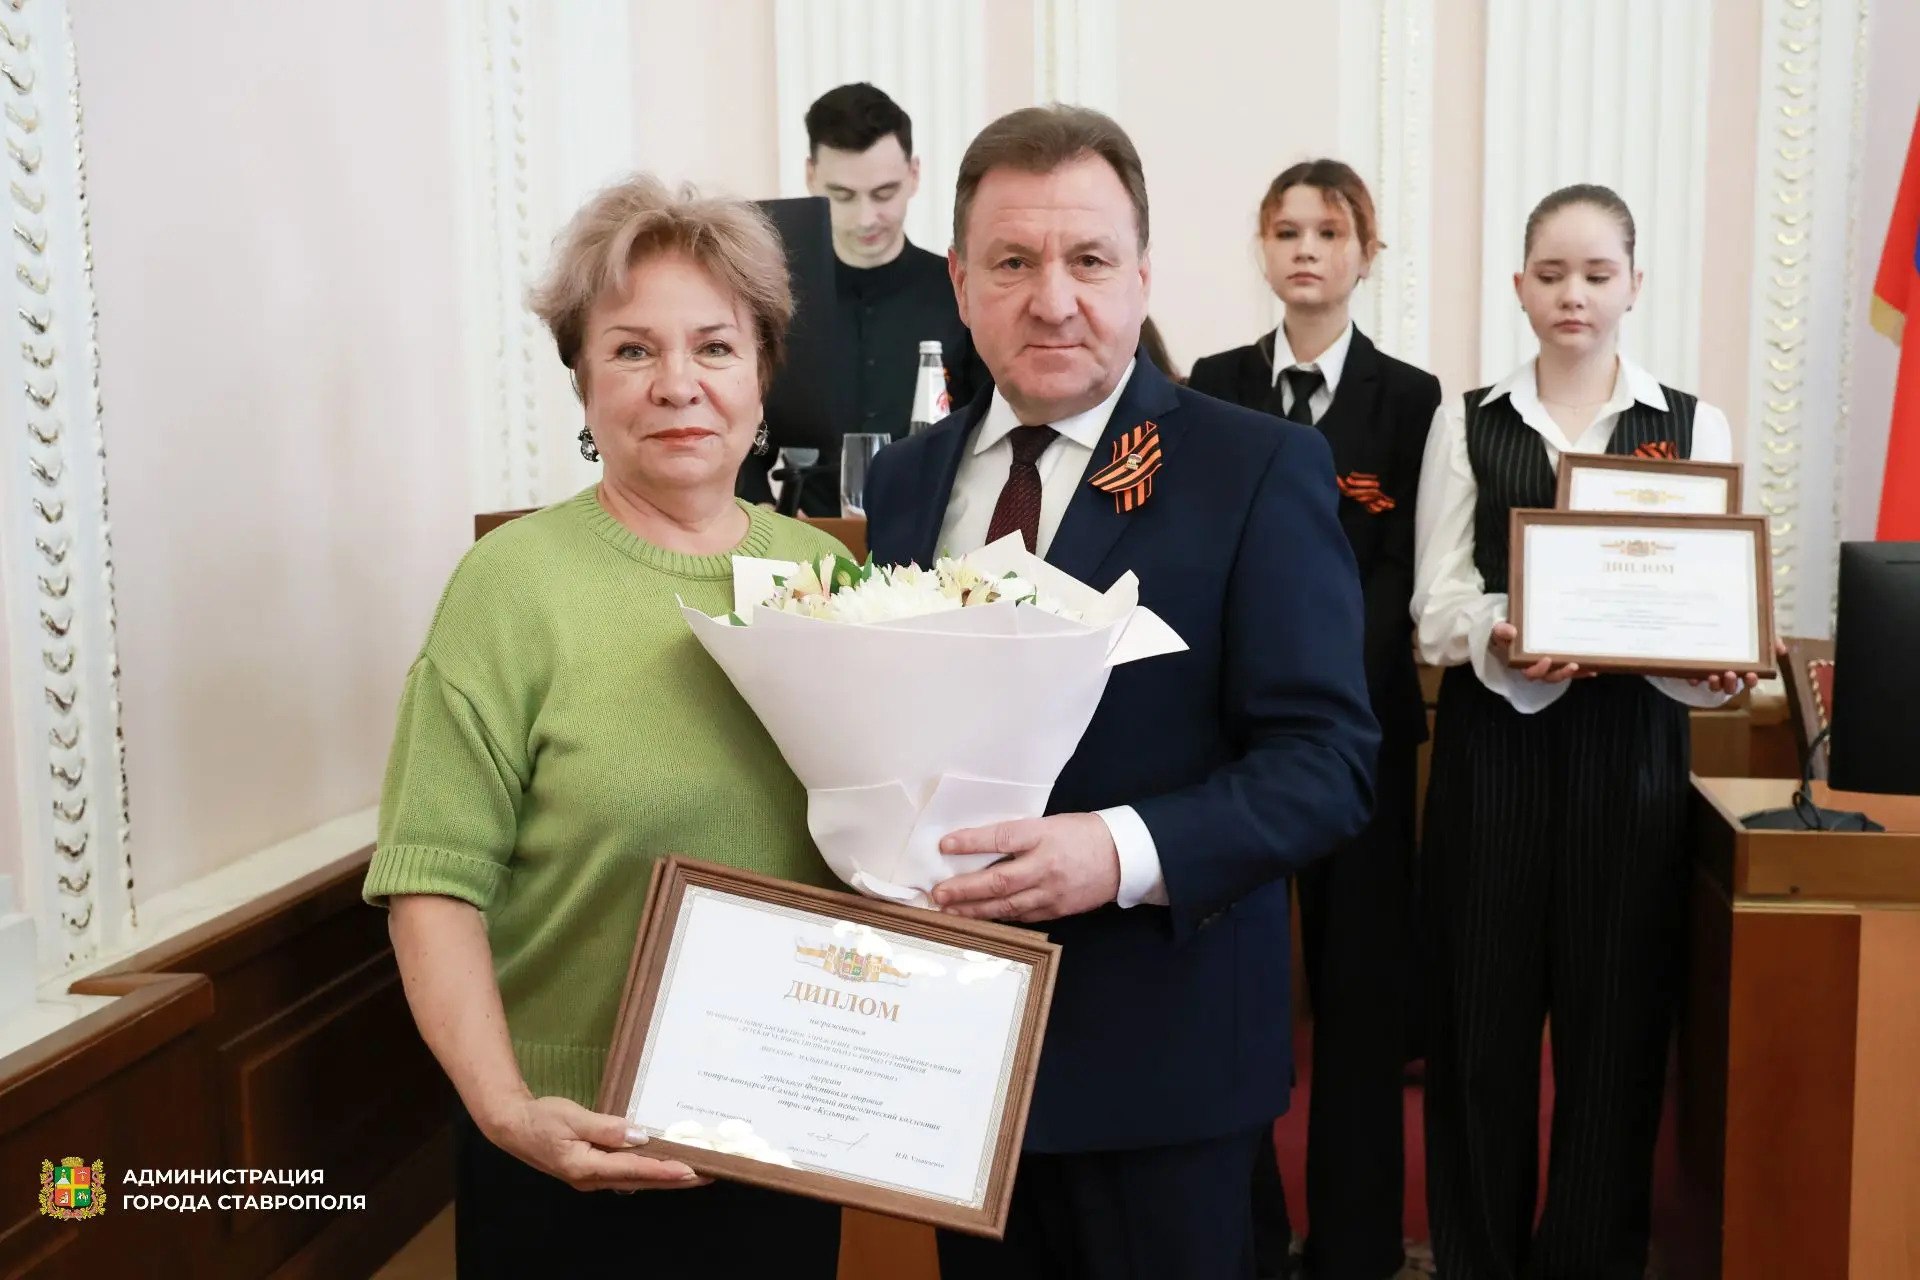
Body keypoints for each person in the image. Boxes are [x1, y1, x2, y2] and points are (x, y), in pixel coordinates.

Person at [863, 104, 1380, 1280]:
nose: (1053, 299)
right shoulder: (904, 482)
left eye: (1089, 259)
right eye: (1012, 262)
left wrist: (1118, 849)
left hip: (1163, 1068)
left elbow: (1327, 761)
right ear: (960, 283)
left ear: (1142, 277)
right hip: (955, 1063)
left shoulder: (1255, 467)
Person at [362, 174, 850, 1278]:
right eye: (632, 350)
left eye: (715, 347)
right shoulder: (509, 584)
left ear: (762, 373)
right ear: (582, 382)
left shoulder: (825, 572)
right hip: (566, 1139)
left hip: (783, 1131)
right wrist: (505, 1107)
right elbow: (433, 878)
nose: (679, 384)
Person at [1412, 184, 1766, 1280]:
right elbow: (1433, 607)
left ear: (1634, 286)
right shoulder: (1469, 419)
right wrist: (1502, 630)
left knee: (1616, 1040)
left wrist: (1717, 662)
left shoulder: (1692, 423)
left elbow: (1710, 600)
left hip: (1635, 768)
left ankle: (1591, 1260)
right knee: (1480, 1036)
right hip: (1493, 760)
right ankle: (1477, 1260)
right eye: (1553, 274)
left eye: (1597, 274)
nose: (1575, 294)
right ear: (1520, 287)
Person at [1190, 159, 1440, 1280]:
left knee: (1361, 1003)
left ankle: (1354, 1246)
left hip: (1363, 738)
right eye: (1286, 230)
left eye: (1329, 232)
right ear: (1262, 248)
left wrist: (1318, 676)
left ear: (1365, 254)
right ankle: (1241, 1236)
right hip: (1230, 743)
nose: (1306, 249)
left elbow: (1402, 569)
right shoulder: (1215, 384)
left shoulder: (1414, 399)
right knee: (1230, 998)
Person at [740, 82, 986, 513]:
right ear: (811, 176)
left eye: (884, 193)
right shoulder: (772, 296)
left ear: (914, 174)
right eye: (842, 196)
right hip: (805, 536)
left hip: (942, 533)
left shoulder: (962, 292)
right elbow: (737, 425)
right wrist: (758, 506)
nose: (865, 218)